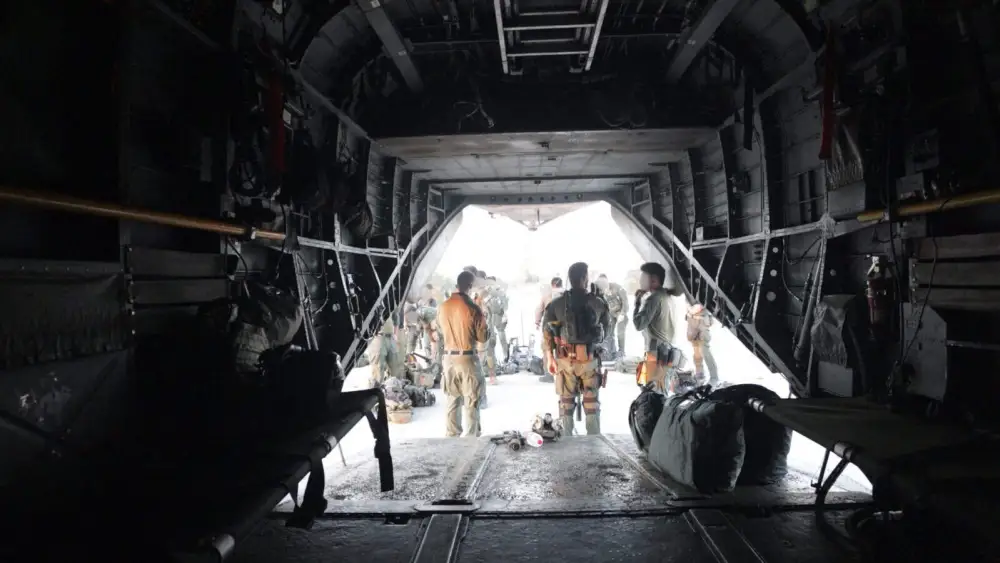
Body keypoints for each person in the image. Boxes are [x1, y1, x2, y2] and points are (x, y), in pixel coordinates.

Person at [541, 262, 612, 435]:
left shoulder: (556, 304)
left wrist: (550, 358)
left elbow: (547, 333)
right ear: (584, 278)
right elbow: (607, 332)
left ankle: (567, 443)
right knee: (591, 404)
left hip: (565, 362)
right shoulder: (597, 302)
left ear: (570, 279)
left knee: (566, 404)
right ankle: (594, 442)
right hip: (589, 361)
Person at [437, 270, 490, 437]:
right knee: (471, 400)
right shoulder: (473, 308)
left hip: (448, 359)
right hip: (467, 358)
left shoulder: (443, 306)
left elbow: (439, 330)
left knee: (452, 400)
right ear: (469, 286)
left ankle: (451, 438)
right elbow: (482, 337)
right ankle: (472, 440)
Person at [633, 262, 676, 393]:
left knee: (652, 394)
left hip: (655, 353)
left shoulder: (653, 299)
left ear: (654, 280)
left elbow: (639, 324)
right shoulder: (666, 296)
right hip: (666, 351)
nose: (640, 281)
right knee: (662, 391)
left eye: (643, 277)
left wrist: (637, 304)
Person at [596, 274, 629, 358]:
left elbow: (625, 302)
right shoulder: (600, 290)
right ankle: (612, 352)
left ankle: (622, 351)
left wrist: (622, 313)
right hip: (611, 313)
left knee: (620, 332)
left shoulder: (617, 287)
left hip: (621, 312)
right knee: (609, 332)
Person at [686, 303, 718, 385]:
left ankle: (714, 377)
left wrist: (695, 309)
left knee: (705, 351)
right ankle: (700, 375)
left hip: (702, 322)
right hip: (693, 324)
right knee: (697, 353)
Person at [367, 319, 404, 388]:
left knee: (395, 368)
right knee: (379, 369)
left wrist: (395, 334)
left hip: (391, 337)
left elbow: (396, 317)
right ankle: (377, 391)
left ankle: (393, 391)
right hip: (377, 337)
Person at [485, 277, 510, 362]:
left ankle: (506, 356)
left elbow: (505, 306)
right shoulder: (486, 292)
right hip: (490, 318)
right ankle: (494, 359)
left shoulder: (498, 292)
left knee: (501, 338)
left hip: (498, 317)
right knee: (492, 340)